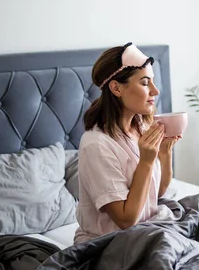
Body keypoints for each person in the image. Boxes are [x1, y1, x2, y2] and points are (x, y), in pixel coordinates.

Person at [74, 42, 180, 244]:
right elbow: (126, 220)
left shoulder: (140, 126)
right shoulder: (96, 145)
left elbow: (156, 193)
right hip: (111, 245)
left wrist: (164, 155)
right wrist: (146, 162)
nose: (155, 91)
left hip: (146, 231)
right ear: (116, 88)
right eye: (145, 83)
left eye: (153, 82)